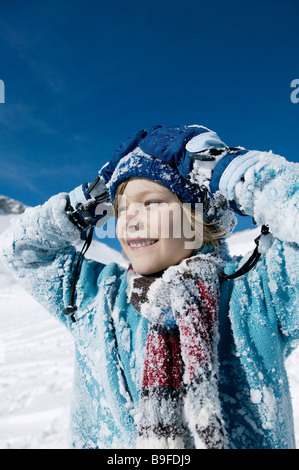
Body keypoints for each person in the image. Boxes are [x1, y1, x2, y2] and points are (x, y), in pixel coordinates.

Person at [0, 124, 298, 449]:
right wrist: (86, 202)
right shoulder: (98, 298)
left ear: (198, 219)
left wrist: (229, 170)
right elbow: (20, 251)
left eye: (152, 203)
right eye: (121, 207)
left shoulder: (253, 294)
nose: (131, 219)